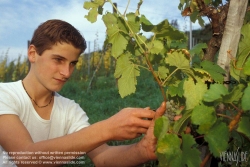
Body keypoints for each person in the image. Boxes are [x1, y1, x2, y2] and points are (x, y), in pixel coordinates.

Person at [0, 19, 166, 167]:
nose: (67, 72)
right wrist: (108, 128)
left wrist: (142, 150)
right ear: (33, 54)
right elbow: (26, 157)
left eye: (72, 63)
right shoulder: (4, 94)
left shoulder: (70, 109)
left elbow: (103, 157)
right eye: (58, 60)